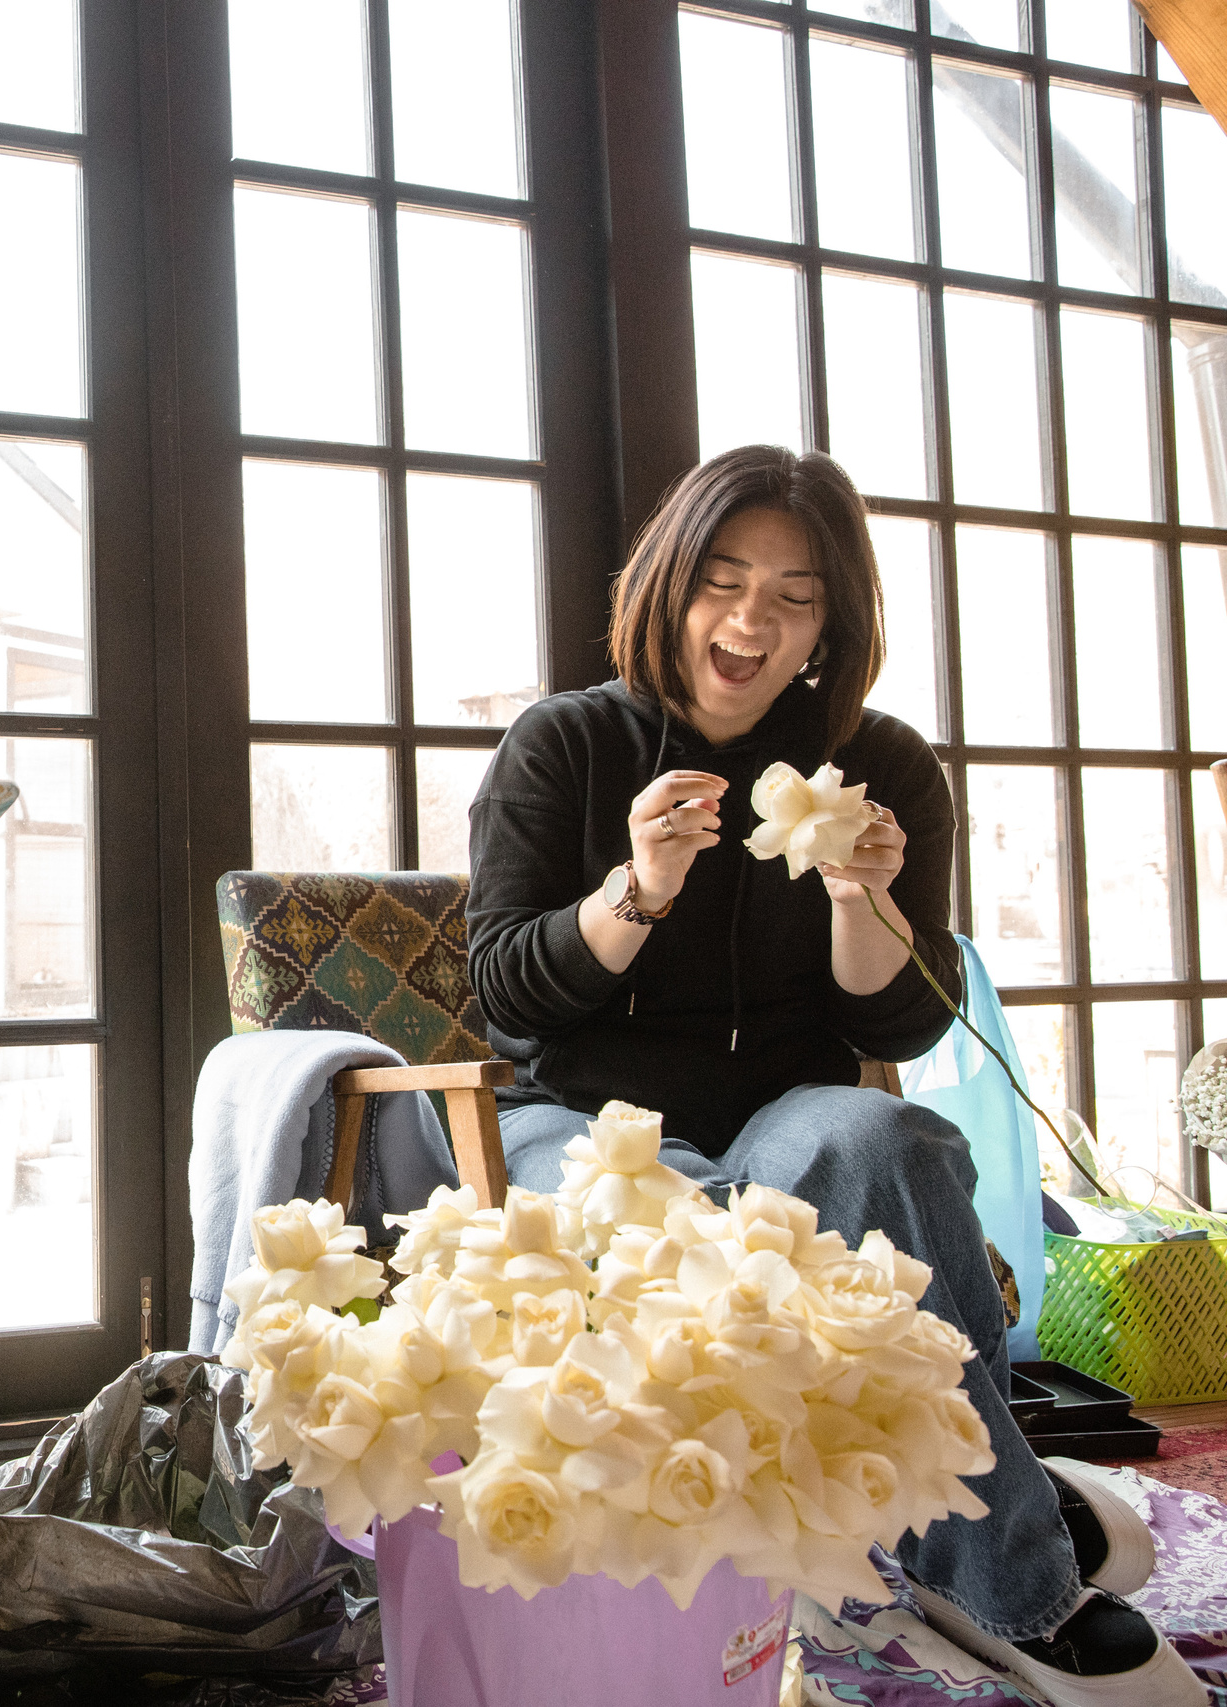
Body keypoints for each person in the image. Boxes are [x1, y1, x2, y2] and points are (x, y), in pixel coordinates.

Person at [464, 444, 1201, 1707]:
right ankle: (1001, 1525)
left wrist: (864, 899)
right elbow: (506, 994)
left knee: (886, 1142)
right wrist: (638, 888)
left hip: (784, 1115)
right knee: (672, 1215)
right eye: (723, 580)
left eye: (794, 596)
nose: (751, 621)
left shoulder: (882, 766)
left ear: (828, 624)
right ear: (668, 584)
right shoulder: (564, 744)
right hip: (577, 1116)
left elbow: (899, 1026)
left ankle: (1003, 1581)